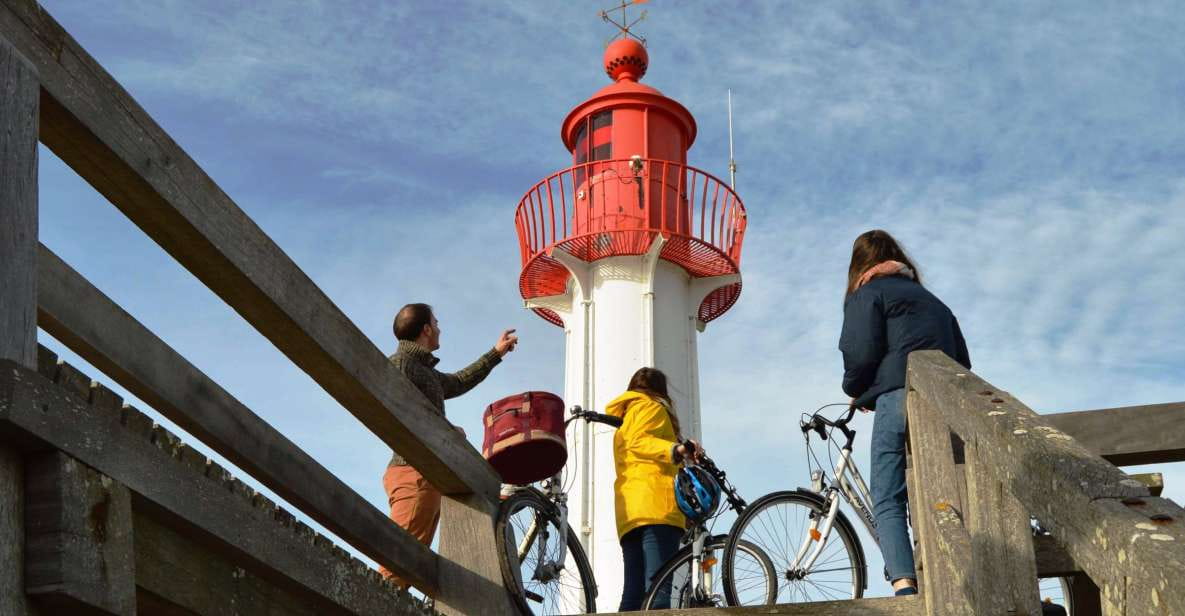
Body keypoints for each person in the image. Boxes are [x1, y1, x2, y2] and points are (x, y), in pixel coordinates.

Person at [838, 230, 970, 597]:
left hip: (899, 399)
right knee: (945, 488)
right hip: (947, 405)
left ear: (859, 264)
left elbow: (861, 353)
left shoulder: (868, 292)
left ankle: (904, 586)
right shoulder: (934, 302)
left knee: (887, 493)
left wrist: (856, 390)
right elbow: (963, 362)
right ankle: (957, 577)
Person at [380, 303, 518, 586]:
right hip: (412, 472)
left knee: (411, 563)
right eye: (437, 322)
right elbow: (401, 410)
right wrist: (446, 428)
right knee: (398, 563)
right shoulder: (402, 363)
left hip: (426, 475)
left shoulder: (423, 369)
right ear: (427, 329)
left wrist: (495, 354)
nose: (440, 328)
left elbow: (457, 382)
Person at [604, 367, 701, 611]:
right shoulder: (653, 407)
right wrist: (675, 450)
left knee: (633, 592)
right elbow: (641, 442)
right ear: (661, 390)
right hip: (657, 505)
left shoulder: (625, 419)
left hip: (630, 511)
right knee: (658, 588)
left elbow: (636, 445)